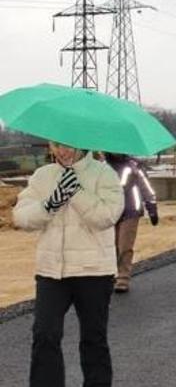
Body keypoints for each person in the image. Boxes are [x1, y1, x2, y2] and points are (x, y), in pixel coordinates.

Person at [13, 141, 124, 387]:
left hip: (94, 271)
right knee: (44, 335)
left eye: (68, 146)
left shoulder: (104, 173)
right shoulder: (43, 175)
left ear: (82, 145)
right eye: (57, 145)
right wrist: (50, 204)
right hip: (52, 271)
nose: (62, 151)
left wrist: (76, 192)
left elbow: (106, 217)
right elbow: (21, 217)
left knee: (93, 338)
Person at [104, 152, 159, 293]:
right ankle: (111, 273)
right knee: (111, 244)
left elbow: (146, 186)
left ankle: (123, 277)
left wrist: (151, 206)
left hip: (131, 209)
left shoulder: (134, 166)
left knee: (125, 245)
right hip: (110, 210)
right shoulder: (103, 167)